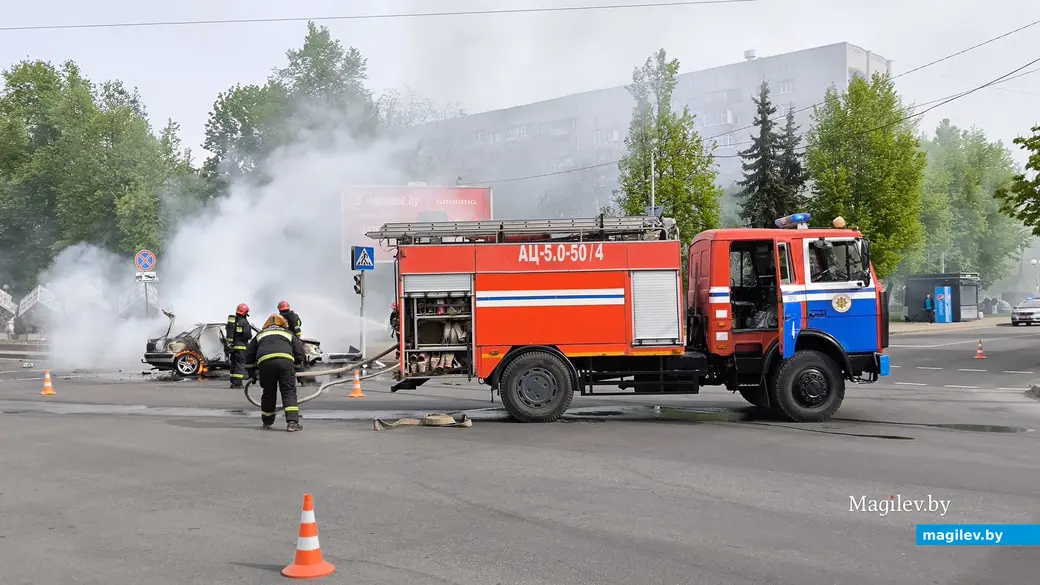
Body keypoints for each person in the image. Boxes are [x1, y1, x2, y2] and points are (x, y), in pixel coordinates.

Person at [245, 314, 307, 432]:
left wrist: (251, 373)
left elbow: (249, 354)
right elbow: (299, 352)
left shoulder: (260, 334)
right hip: (285, 362)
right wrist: (295, 366)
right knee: (288, 391)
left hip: (265, 363)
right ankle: (292, 423)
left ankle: (267, 422)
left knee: (268, 392)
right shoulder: (288, 333)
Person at [225, 303, 253, 388]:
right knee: (239, 365)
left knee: (233, 364)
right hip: (241, 347)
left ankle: (233, 382)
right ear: (245, 313)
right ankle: (238, 383)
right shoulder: (244, 322)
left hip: (233, 347)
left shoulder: (233, 322)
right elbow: (247, 335)